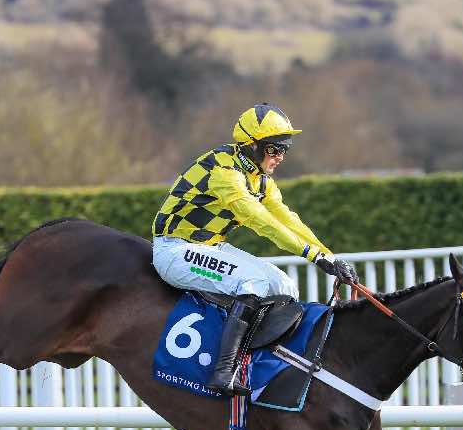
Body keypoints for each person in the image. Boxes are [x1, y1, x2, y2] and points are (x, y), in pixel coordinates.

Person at [151, 103, 358, 396]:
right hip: (174, 251)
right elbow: (259, 220)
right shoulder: (224, 172)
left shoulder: (260, 179)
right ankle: (223, 371)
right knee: (256, 284)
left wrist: (329, 256)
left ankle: (263, 362)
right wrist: (313, 256)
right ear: (251, 146)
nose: (280, 157)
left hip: (211, 246)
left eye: (285, 149)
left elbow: (286, 219)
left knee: (284, 285)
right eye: (274, 149)